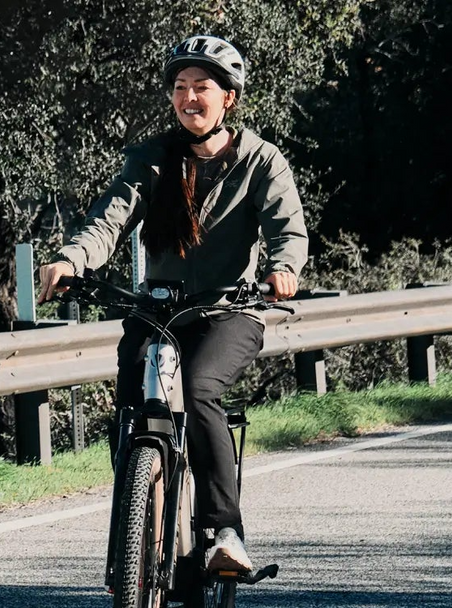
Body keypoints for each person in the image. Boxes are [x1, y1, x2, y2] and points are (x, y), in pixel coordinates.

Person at [38, 35, 305, 573]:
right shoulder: (153, 159)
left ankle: (225, 532)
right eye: (180, 87)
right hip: (157, 310)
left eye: (201, 87)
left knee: (200, 389)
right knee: (132, 401)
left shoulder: (261, 161)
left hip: (228, 311)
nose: (189, 97)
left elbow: (287, 230)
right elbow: (108, 219)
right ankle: (134, 521)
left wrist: (283, 270)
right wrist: (71, 259)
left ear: (228, 98)